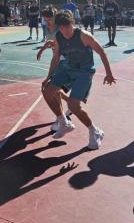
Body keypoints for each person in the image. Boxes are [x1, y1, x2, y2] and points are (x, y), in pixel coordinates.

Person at [41, 10, 116, 148]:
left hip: (84, 71)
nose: (65, 31)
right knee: (47, 91)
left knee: (73, 106)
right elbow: (56, 58)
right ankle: (63, 122)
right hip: (67, 68)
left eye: (67, 27)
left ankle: (95, 131)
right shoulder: (58, 37)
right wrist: (48, 76)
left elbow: (102, 52)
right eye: (61, 28)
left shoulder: (84, 36)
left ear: (73, 23)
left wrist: (109, 73)